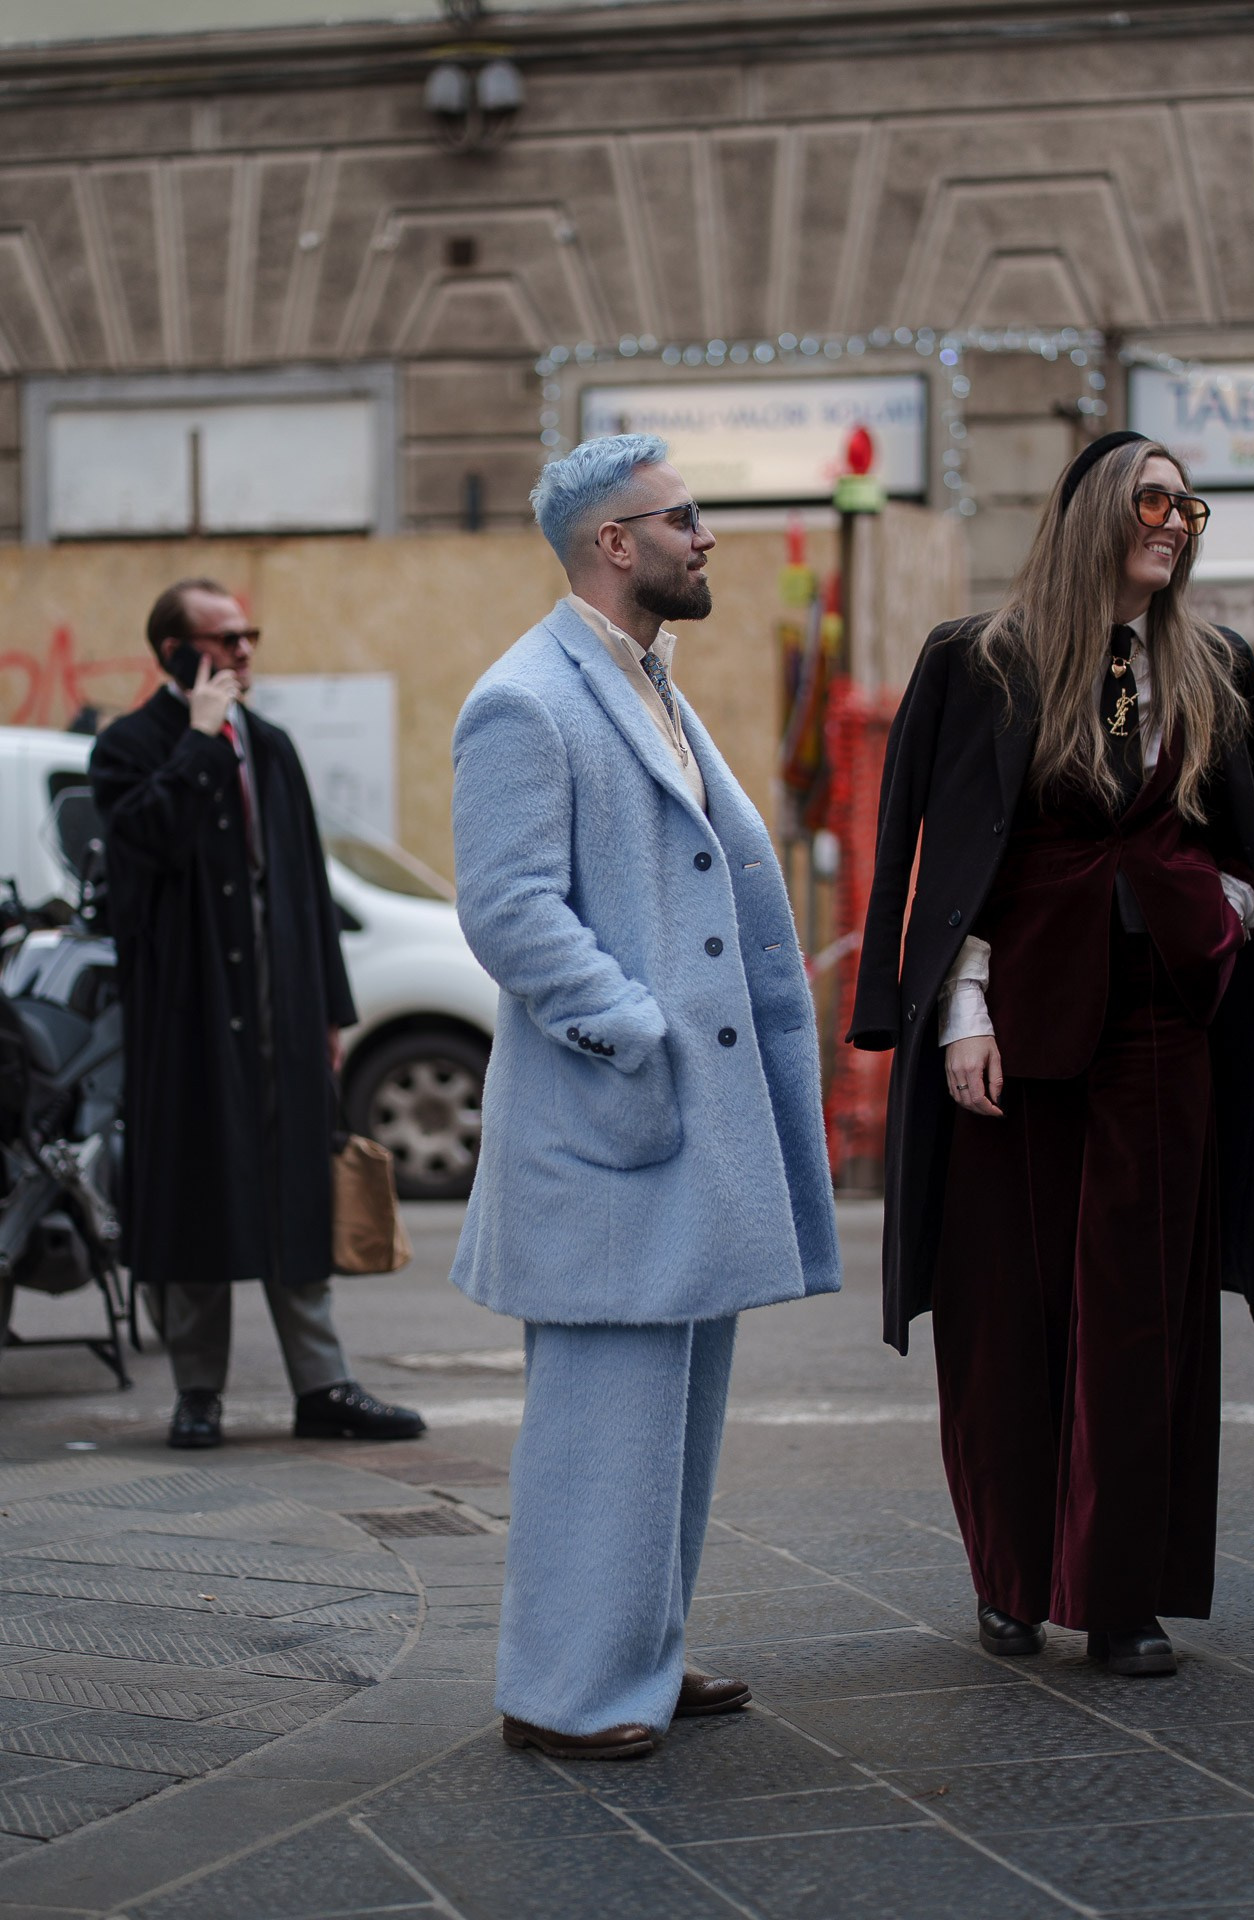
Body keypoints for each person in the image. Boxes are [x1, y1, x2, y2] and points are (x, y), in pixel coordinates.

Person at [851, 430, 1254, 1677]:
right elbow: (933, 855)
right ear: (1093, 508)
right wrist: (955, 1010)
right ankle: (1011, 1576)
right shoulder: (976, 660)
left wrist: (1224, 912)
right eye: (1153, 498)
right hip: (1013, 1023)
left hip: (1162, 1025)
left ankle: (1119, 1592)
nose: (1174, 521)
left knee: (1139, 1314)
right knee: (1003, 1314)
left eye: (1187, 507)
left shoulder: (1212, 665)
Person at [450, 434, 840, 1759]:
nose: (707, 534)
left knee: (669, 1421)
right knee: (597, 1429)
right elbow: (506, 911)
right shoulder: (525, 699)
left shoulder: (646, 681)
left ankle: (636, 1660)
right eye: (684, 517)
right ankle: (563, 1695)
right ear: (616, 544)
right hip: (610, 1124)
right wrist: (631, 1027)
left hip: (681, 1136)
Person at [90, 579, 425, 1450]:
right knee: (198, 1189)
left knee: (298, 1193)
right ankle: (198, 1392)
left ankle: (324, 1385)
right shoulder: (130, 746)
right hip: (188, 1014)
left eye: (249, 636)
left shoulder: (271, 747)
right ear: (175, 654)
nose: (244, 653)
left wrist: (333, 1012)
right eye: (225, 639)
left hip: (284, 1007)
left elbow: (307, 886)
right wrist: (199, 743)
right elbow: (144, 845)